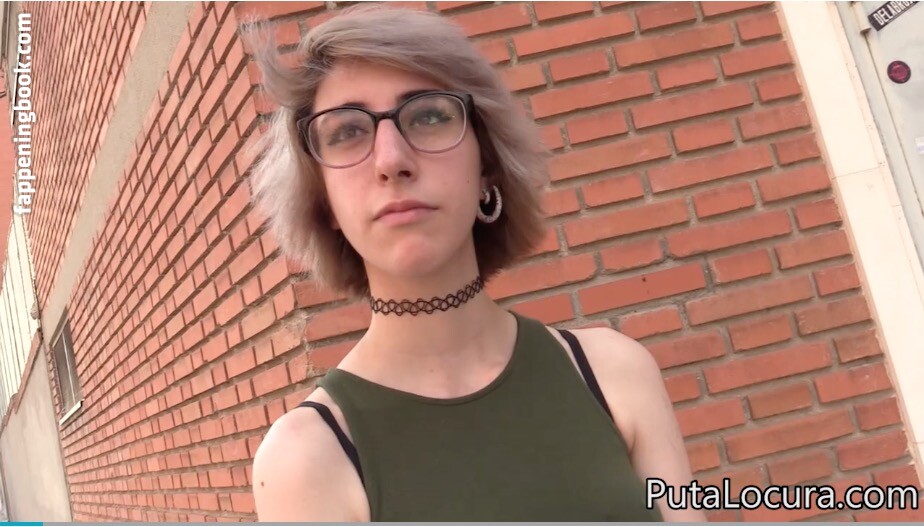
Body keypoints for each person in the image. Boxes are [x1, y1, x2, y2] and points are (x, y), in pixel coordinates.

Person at [247, 4, 704, 522]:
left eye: (428, 116)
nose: (392, 160)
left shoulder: (615, 372)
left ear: (486, 165)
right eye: (347, 131)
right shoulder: (305, 459)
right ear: (323, 200)